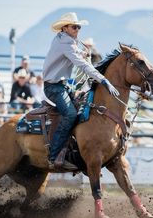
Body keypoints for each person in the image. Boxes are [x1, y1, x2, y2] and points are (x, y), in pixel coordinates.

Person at [43, 12, 119, 169]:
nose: (77, 29)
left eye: (78, 27)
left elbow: (77, 54)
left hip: (62, 85)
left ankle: (73, 151)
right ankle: (53, 156)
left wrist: (83, 53)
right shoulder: (67, 43)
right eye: (74, 26)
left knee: (81, 108)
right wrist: (103, 80)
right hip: (54, 87)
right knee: (70, 114)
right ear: (64, 28)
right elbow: (82, 65)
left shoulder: (65, 39)